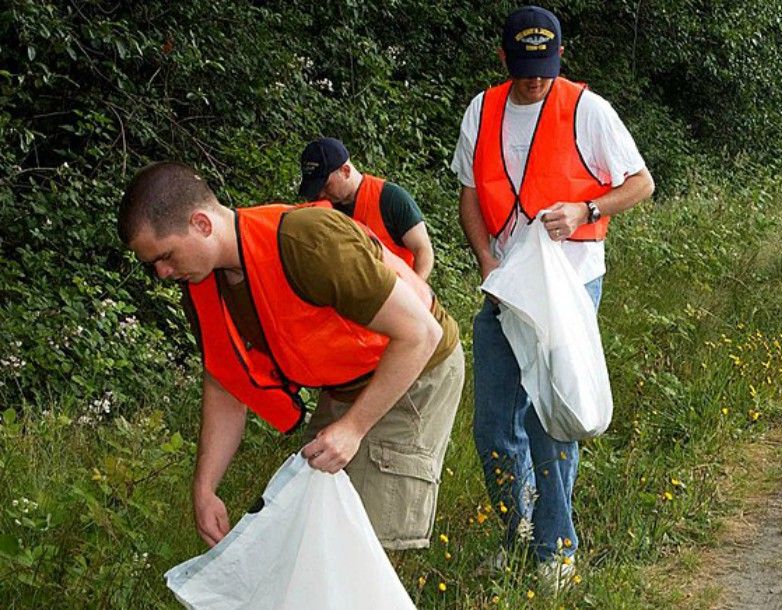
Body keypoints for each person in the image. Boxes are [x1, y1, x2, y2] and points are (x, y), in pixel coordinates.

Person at [117, 161, 464, 551]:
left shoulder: (305, 242)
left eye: (165, 256)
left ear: (201, 223)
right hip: (346, 382)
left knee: (364, 543)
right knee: (310, 522)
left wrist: (352, 429)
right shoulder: (202, 283)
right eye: (152, 266)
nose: (162, 273)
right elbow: (226, 382)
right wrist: (205, 487)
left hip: (418, 368)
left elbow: (421, 333)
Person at [450, 5, 654, 587]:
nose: (534, 78)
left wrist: (587, 208)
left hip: (569, 283)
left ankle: (556, 547)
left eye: (543, 66)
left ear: (560, 57)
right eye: (523, 67)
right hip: (507, 285)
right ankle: (513, 530)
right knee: (492, 425)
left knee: (553, 415)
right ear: (503, 60)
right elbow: (469, 196)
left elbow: (641, 183)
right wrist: (487, 260)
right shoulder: (482, 110)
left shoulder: (588, 110)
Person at [298, 137, 436, 280]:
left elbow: (423, 250)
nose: (320, 194)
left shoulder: (390, 198)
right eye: (316, 188)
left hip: (397, 290)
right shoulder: (322, 207)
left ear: (345, 171)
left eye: (326, 186)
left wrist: (415, 293)